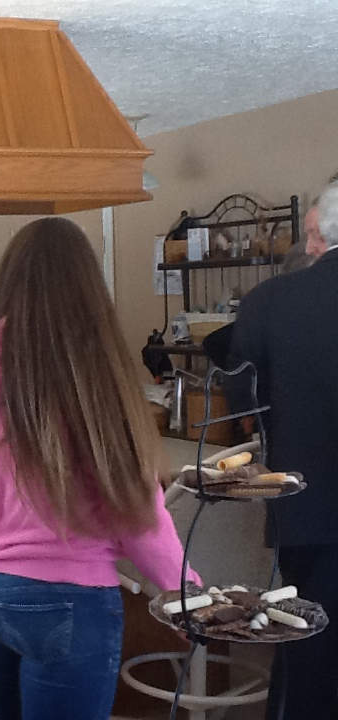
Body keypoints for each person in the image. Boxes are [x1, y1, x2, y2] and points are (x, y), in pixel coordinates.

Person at [0, 217, 197, 719]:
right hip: (68, 595)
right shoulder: (88, 366)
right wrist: (183, 591)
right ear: (89, 287)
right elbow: (134, 501)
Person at [228, 184, 338, 720]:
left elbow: (240, 405)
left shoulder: (270, 301)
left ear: (321, 235)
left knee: (307, 649)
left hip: (305, 507)